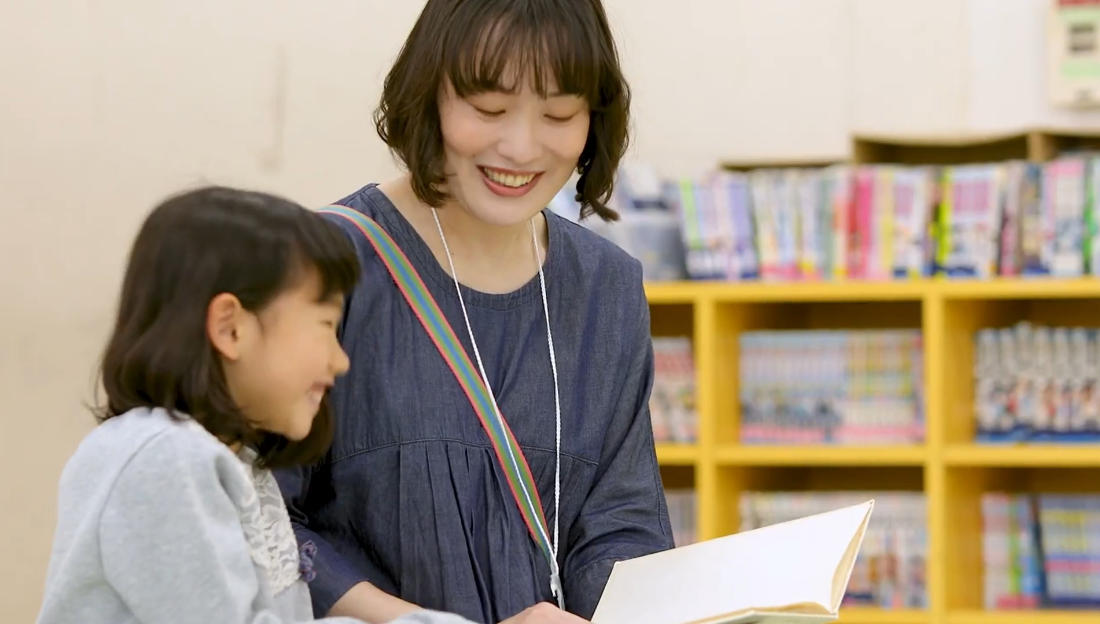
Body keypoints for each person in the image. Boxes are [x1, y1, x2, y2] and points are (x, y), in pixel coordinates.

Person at [275, 1, 675, 624]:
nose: (520, 147)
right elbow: (263, 524)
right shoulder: (324, 264)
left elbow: (621, 529)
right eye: (488, 109)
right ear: (429, 95)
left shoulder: (606, 288)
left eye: (558, 114)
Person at [36, 187, 475, 624]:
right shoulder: (163, 457)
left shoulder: (239, 465)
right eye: (326, 325)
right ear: (230, 328)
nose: (340, 360)